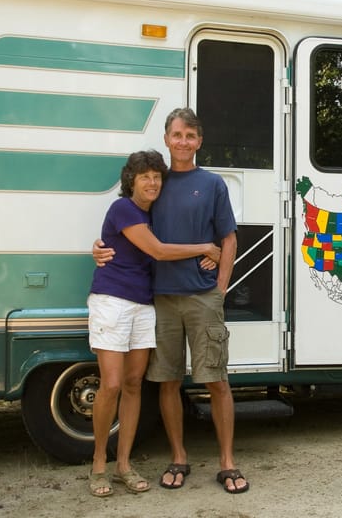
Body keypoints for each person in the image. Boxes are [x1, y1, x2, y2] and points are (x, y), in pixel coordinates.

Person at [93, 107, 249, 494]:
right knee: (167, 382)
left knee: (217, 381)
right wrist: (98, 247)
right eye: (177, 135)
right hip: (158, 299)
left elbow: (228, 239)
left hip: (202, 297)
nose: (183, 142)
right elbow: (131, 233)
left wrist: (222, 286)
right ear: (166, 139)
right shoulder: (154, 185)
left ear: (199, 141)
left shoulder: (212, 184)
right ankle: (178, 456)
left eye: (191, 136)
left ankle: (227, 462)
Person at [87, 149, 221, 498]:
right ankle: (99, 464)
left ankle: (124, 466)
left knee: (134, 384)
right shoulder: (123, 209)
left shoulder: (153, 214)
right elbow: (159, 251)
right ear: (131, 180)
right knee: (112, 384)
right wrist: (205, 247)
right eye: (144, 176)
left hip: (145, 304)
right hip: (112, 301)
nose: (152, 182)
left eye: (157, 176)